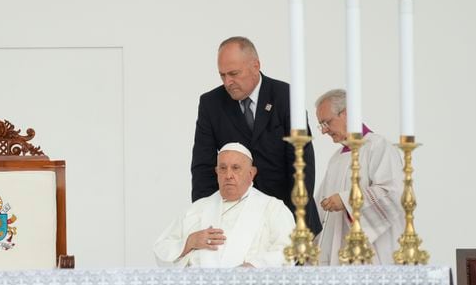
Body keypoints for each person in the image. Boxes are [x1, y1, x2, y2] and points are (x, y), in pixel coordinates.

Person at [191, 36, 320, 234]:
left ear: (255, 65)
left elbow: (301, 165)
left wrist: (291, 221)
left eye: (234, 73)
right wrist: (203, 220)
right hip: (235, 224)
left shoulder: (286, 96)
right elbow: (203, 169)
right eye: (222, 75)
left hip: (290, 216)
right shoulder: (211, 104)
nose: (228, 82)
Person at [155, 142, 295, 267]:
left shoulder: (272, 208)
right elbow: (161, 249)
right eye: (223, 168)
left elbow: (290, 250)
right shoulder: (198, 208)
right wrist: (188, 243)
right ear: (216, 172)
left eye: (235, 168)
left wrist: (253, 267)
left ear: (251, 173)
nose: (228, 175)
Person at [313, 89, 406, 265]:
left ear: (347, 114)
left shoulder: (378, 147)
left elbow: (394, 194)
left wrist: (347, 200)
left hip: (375, 254)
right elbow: (319, 208)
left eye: (327, 122)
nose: (324, 131)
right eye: (321, 125)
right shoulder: (337, 158)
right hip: (339, 255)